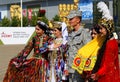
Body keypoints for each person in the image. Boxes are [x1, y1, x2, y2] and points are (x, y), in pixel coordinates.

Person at [90, 2, 120, 82]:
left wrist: (97, 74)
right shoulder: (108, 41)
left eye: (101, 29)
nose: (100, 31)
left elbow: (108, 64)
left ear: (108, 29)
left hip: (108, 77)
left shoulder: (111, 43)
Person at [66, 10, 92, 82]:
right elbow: (69, 52)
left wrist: (85, 70)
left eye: (71, 19)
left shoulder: (84, 33)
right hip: (71, 69)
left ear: (78, 20)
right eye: (69, 19)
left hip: (79, 69)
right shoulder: (71, 34)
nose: (69, 21)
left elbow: (88, 52)